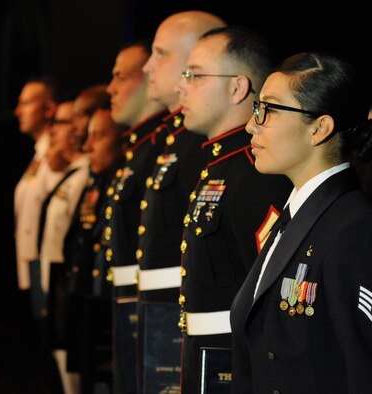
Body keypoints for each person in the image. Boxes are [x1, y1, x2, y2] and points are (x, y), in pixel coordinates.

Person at [230, 52, 372, 393]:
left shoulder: (357, 230)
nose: (250, 124)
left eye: (267, 110)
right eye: (257, 108)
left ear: (319, 128)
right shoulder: (298, 214)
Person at [174, 26, 292, 393]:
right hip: (205, 359)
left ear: (238, 88)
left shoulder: (257, 172)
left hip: (235, 369)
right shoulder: (218, 166)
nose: (182, 87)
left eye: (195, 75)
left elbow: (270, 303)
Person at [136, 11, 225, 394]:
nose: (147, 67)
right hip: (162, 307)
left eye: (161, 54)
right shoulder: (173, 140)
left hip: (192, 318)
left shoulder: (202, 148)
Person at [102, 40, 167, 394]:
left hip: (159, 313)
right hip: (132, 306)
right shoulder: (140, 149)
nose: (110, 88)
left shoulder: (161, 148)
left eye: (119, 77)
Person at [39, 85, 110, 394]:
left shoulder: (91, 173)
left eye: (80, 117)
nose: (77, 128)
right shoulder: (82, 173)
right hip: (71, 285)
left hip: (94, 294)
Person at [61, 108, 126, 394]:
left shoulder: (120, 183)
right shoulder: (100, 182)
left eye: (97, 136)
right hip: (93, 302)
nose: (87, 146)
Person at [13, 77, 60, 297]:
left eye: (25, 103)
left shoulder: (57, 155)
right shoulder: (41, 154)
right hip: (35, 268)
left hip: (49, 269)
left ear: (49, 108)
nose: (18, 111)